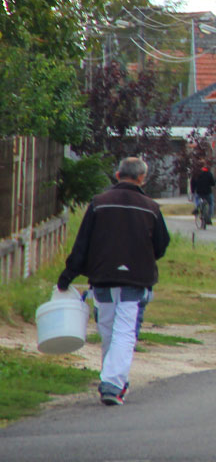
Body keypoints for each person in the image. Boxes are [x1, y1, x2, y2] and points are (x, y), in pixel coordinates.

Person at [57, 157, 170, 406]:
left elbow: (82, 244)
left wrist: (67, 276)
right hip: (136, 279)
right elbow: (161, 245)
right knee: (125, 331)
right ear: (142, 178)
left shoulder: (99, 204)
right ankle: (113, 383)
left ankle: (114, 381)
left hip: (103, 278)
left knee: (108, 329)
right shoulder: (151, 207)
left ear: (117, 175)